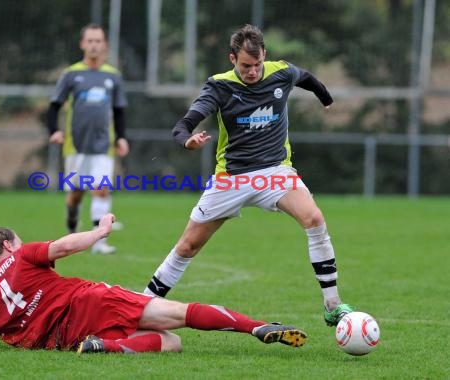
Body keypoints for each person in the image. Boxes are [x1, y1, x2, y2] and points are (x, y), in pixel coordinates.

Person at [142, 24, 355, 326]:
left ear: (264, 56)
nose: (253, 71)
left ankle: (332, 304)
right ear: (232, 59)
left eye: (257, 64)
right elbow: (182, 126)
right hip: (232, 177)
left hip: (275, 171)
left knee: (314, 219)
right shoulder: (219, 86)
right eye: (245, 65)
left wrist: (326, 97)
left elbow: (306, 77)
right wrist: (187, 141)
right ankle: (141, 304)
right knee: (187, 246)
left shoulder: (280, 72)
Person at [0, 213, 307, 354]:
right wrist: (100, 230)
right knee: (179, 316)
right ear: (8, 245)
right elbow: (65, 246)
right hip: (90, 303)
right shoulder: (22, 255)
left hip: (63, 338)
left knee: (172, 344)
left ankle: (109, 346)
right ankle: (255, 326)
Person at [47, 23, 128, 254]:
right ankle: (72, 222)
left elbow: (120, 110)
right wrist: (54, 130)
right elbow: (54, 105)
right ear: (82, 44)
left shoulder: (113, 76)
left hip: (104, 145)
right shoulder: (72, 73)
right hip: (76, 145)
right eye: (90, 41)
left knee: (101, 188)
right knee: (76, 194)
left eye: (98, 41)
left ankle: (99, 242)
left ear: (105, 45)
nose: (94, 45)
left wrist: (121, 137)